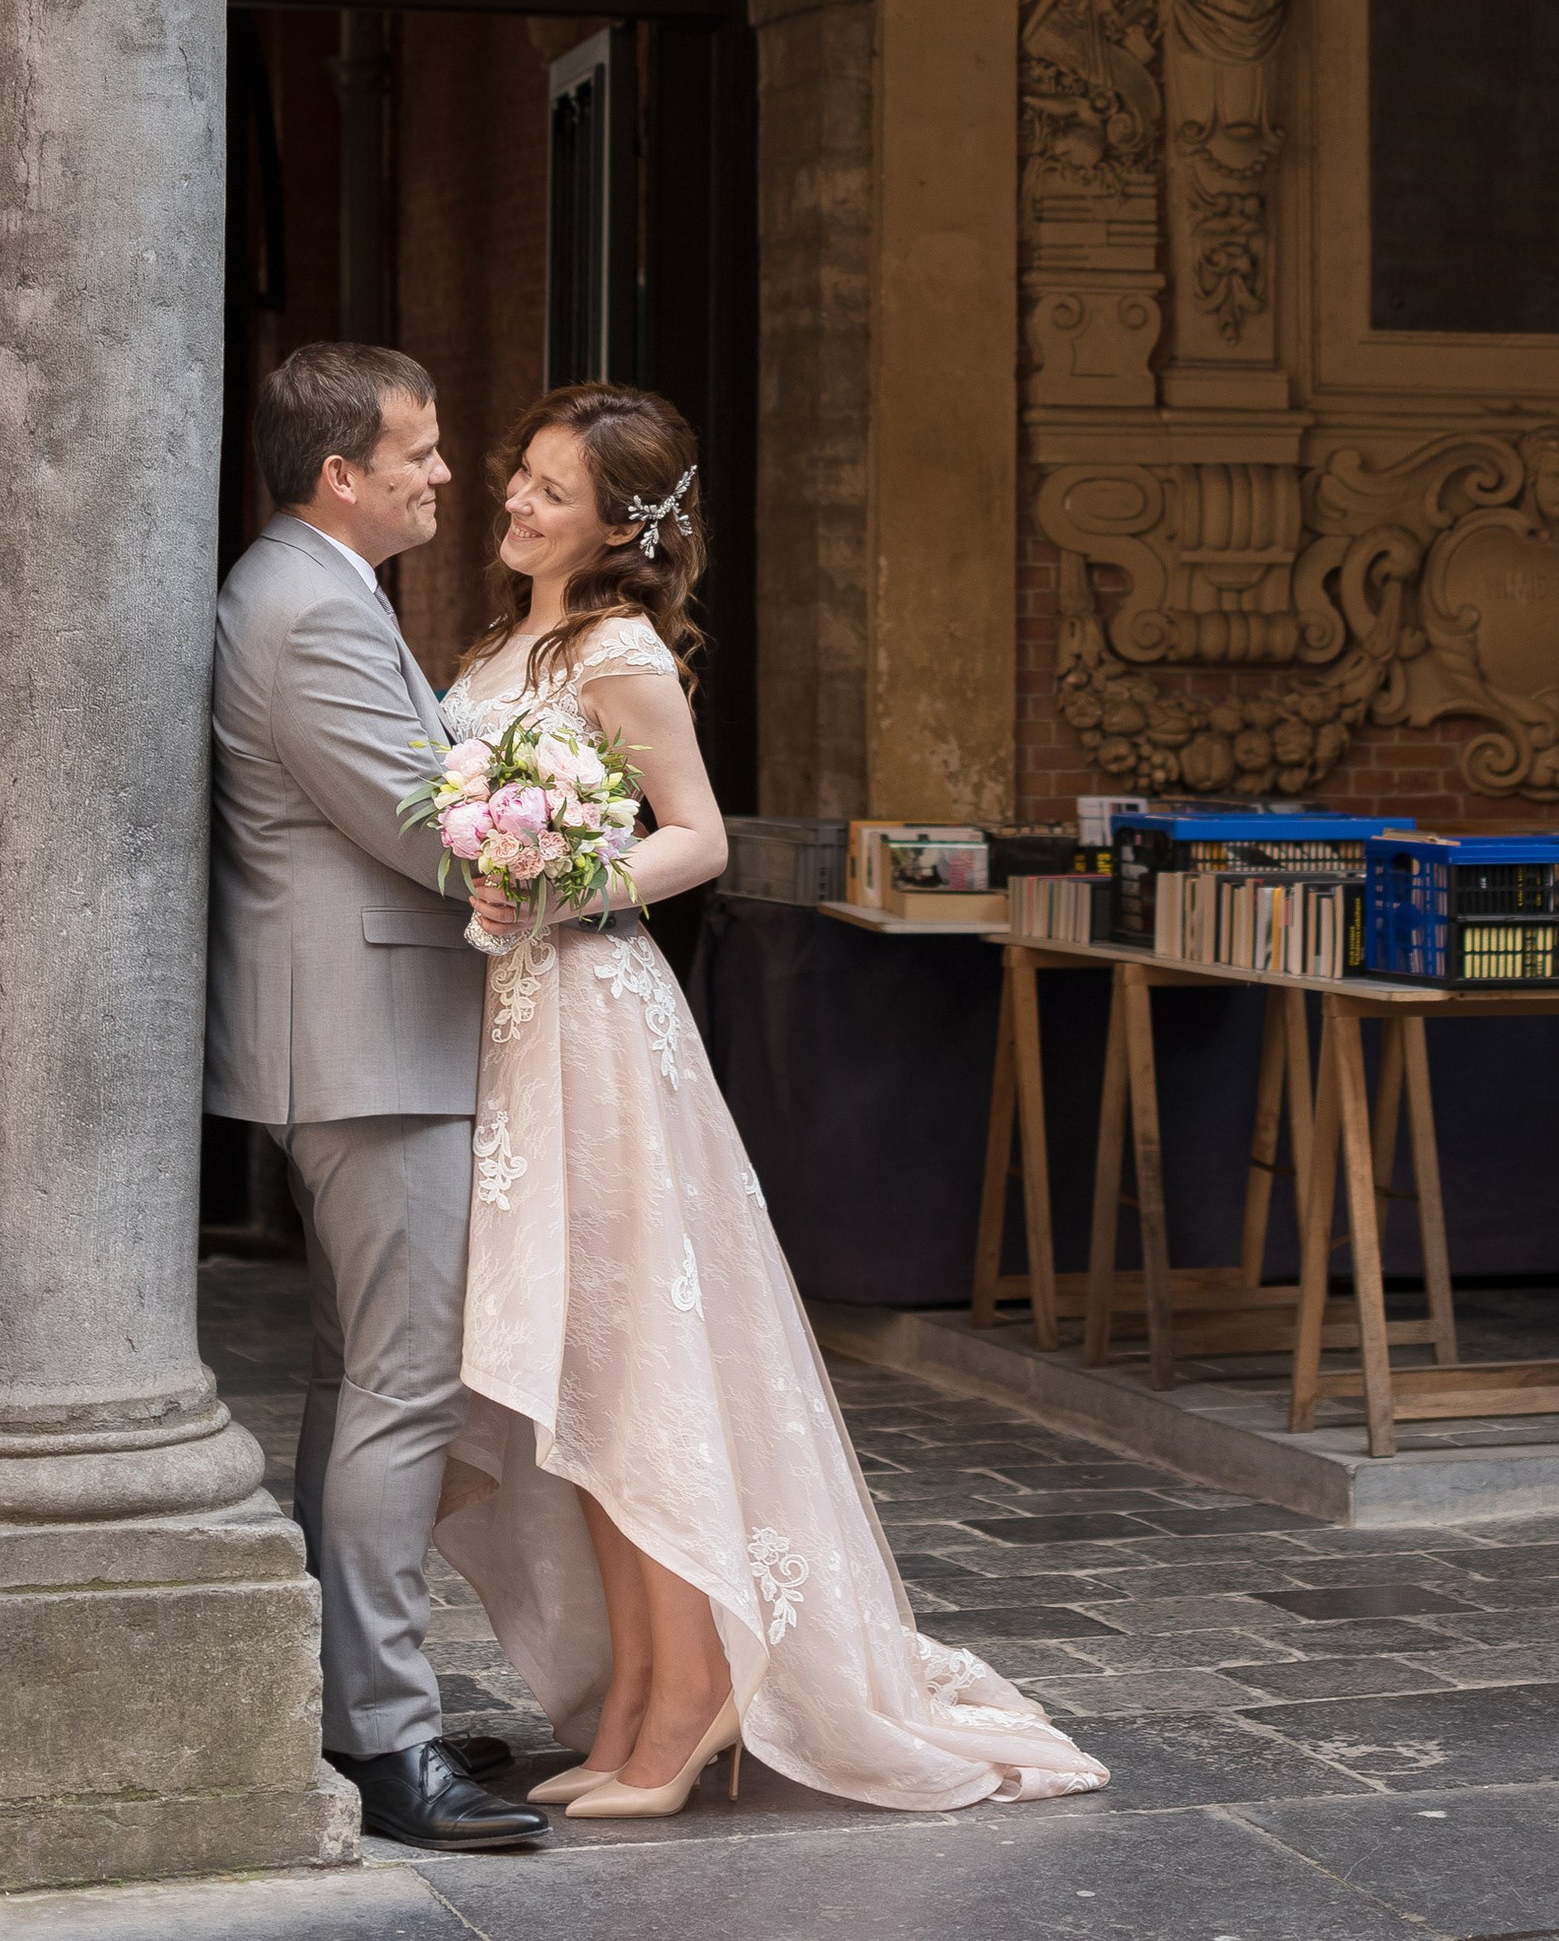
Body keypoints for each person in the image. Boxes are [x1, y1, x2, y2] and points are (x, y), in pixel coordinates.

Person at [434, 384, 1106, 1818]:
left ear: (623, 524)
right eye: (521, 474)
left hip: (595, 1028)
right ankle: (629, 1700)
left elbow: (703, 838)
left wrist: (570, 882)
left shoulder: (614, 652)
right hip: (510, 1018)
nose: (517, 499)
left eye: (550, 487)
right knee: (581, 1394)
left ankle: (682, 1714)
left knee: (630, 1378)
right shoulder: (507, 640)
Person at [206, 343, 550, 1857]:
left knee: (366, 1386)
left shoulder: (320, 591)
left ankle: (349, 1708)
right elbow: (434, 834)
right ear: (340, 471)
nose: (444, 473)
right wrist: (578, 860)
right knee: (403, 1389)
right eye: (417, 451)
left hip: (363, 1035)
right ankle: (389, 1744)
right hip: (367, 1041)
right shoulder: (304, 609)